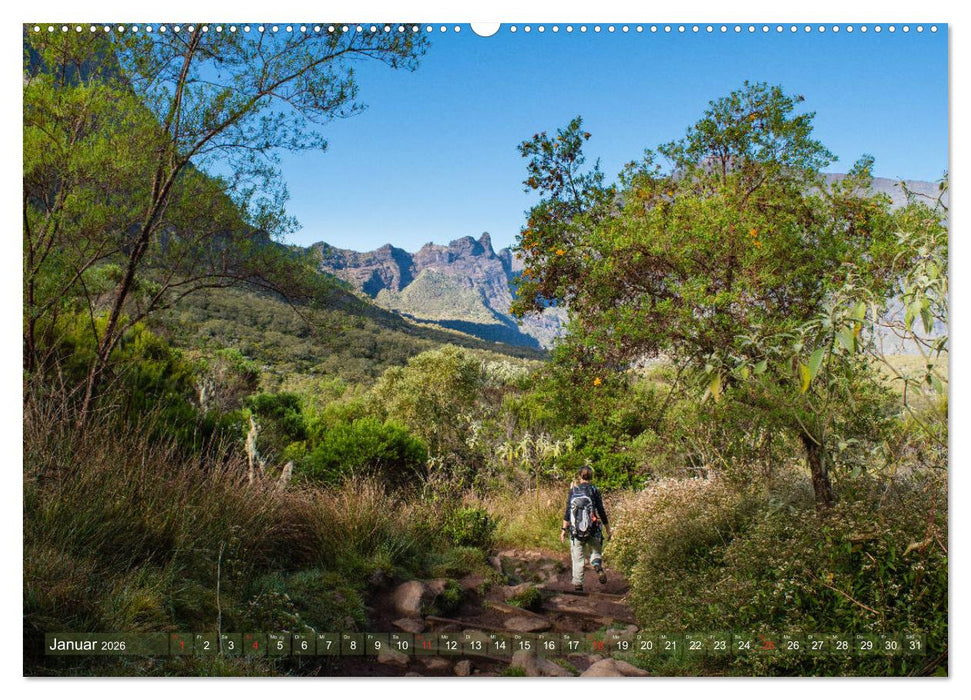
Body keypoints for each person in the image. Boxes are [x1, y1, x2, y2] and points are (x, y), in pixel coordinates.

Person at [560, 466, 610, 593]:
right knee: (596, 550)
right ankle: (597, 564)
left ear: (579, 476)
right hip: (593, 530)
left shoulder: (574, 490)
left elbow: (567, 511)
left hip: (576, 532)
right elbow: (601, 511)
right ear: (591, 477)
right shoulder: (594, 490)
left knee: (577, 557)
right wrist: (608, 529)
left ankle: (578, 584)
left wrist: (563, 529)